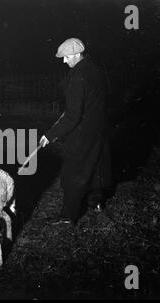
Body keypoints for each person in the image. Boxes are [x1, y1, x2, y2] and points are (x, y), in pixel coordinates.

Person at [40, 38, 112, 226]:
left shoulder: (77, 77)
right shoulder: (96, 69)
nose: (64, 61)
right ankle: (96, 202)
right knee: (95, 165)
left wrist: (50, 135)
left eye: (66, 57)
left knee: (73, 173)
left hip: (81, 133)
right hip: (98, 128)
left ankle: (67, 216)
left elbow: (73, 116)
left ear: (77, 54)